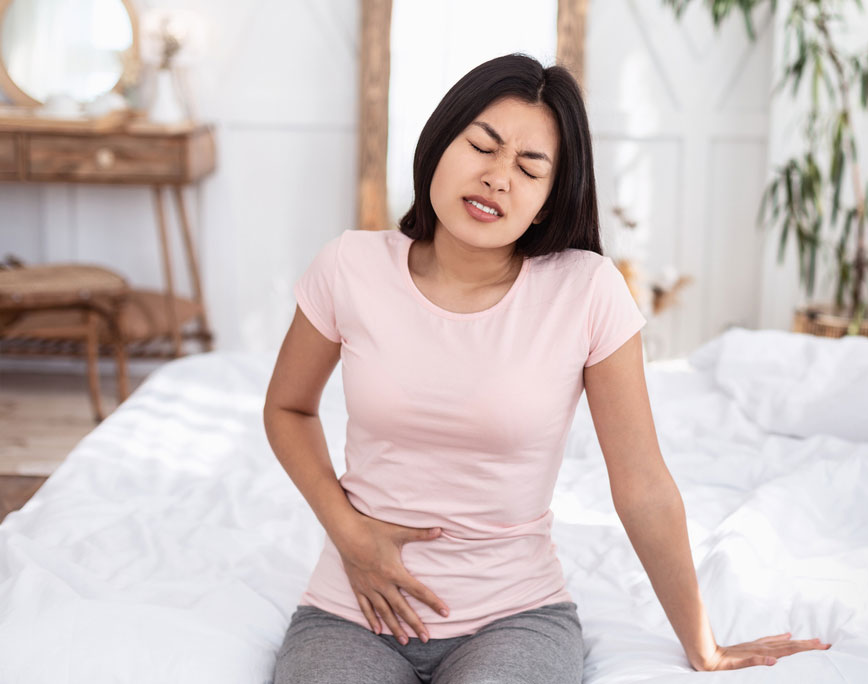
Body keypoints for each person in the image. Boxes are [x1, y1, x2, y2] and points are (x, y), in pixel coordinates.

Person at [263, 52, 830, 684]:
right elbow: (287, 407)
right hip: (349, 611)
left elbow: (642, 483)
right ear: (439, 146)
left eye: (529, 168)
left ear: (545, 201)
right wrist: (347, 531)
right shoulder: (350, 266)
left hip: (513, 618)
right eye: (482, 146)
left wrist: (704, 645)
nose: (497, 177)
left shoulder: (586, 290)